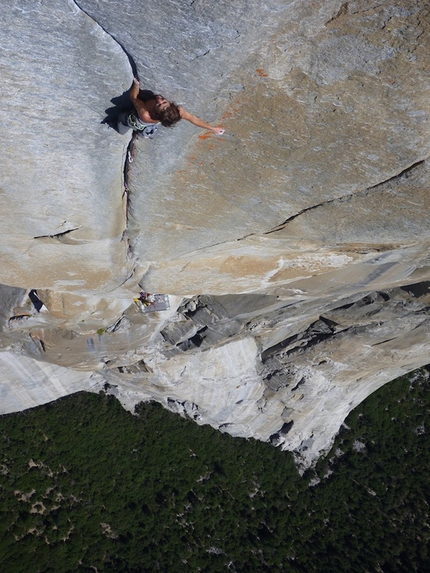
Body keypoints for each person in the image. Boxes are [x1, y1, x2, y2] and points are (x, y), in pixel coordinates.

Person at [117, 78, 225, 138]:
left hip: (132, 119)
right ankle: (140, 134)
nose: (159, 99)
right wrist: (212, 128)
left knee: (121, 129)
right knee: (142, 132)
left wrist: (136, 84)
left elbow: (133, 98)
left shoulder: (145, 114)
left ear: (155, 113)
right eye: (164, 102)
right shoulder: (177, 111)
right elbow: (193, 119)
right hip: (148, 122)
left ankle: (137, 133)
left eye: (159, 104)